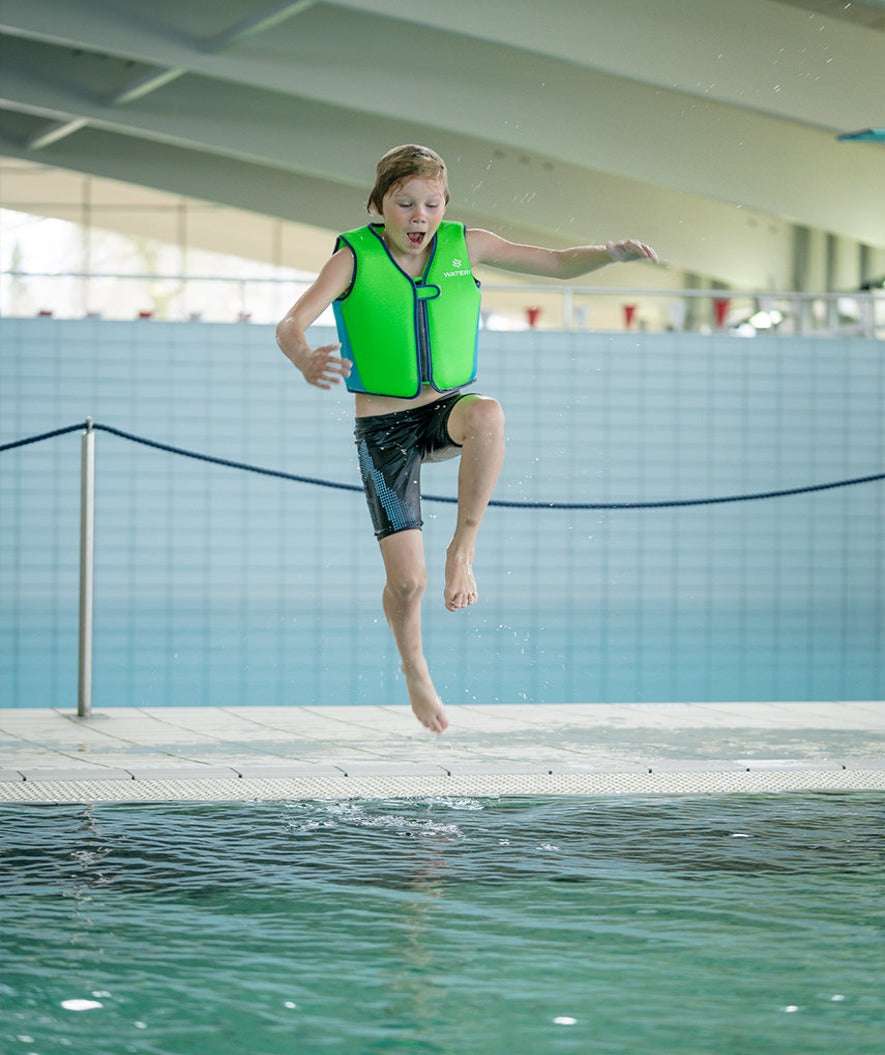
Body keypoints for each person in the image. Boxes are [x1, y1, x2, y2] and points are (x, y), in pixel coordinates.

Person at [276, 144, 658, 734]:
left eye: (431, 204)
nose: (418, 216)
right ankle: (414, 666)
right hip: (383, 431)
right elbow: (290, 322)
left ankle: (464, 549)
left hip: (444, 411)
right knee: (407, 582)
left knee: (488, 415)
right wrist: (304, 358)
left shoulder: (466, 246)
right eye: (405, 204)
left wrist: (608, 254)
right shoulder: (353, 257)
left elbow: (555, 263)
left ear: (444, 206)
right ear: (380, 205)